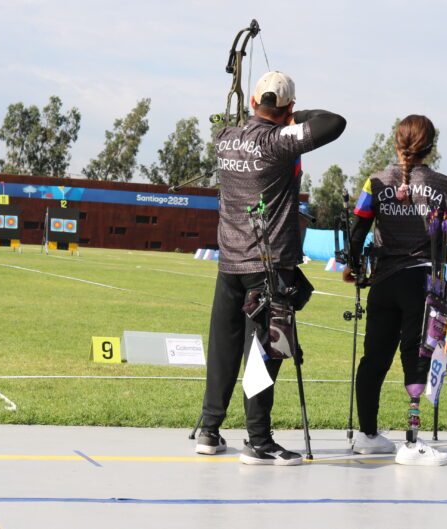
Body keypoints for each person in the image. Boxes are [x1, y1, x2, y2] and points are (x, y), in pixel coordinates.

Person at [196, 71, 346, 465]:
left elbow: (241, 121)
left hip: (229, 262)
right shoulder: (279, 142)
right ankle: (258, 441)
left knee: (225, 348)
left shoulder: (224, 138)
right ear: (289, 107)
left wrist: (273, 112)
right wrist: (293, 116)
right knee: (265, 351)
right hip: (267, 265)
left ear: (251, 104)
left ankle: (209, 430)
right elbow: (334, 122)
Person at [343, 114, 447, 465]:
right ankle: (411, 445)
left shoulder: (375, 181)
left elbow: (357, 233)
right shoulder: (444, 184)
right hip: (422, 284)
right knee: (416, 357)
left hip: (383, 282)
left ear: (397, 143)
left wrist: (355, 269)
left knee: (374, 359)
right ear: (431, 147)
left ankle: (368, 436)